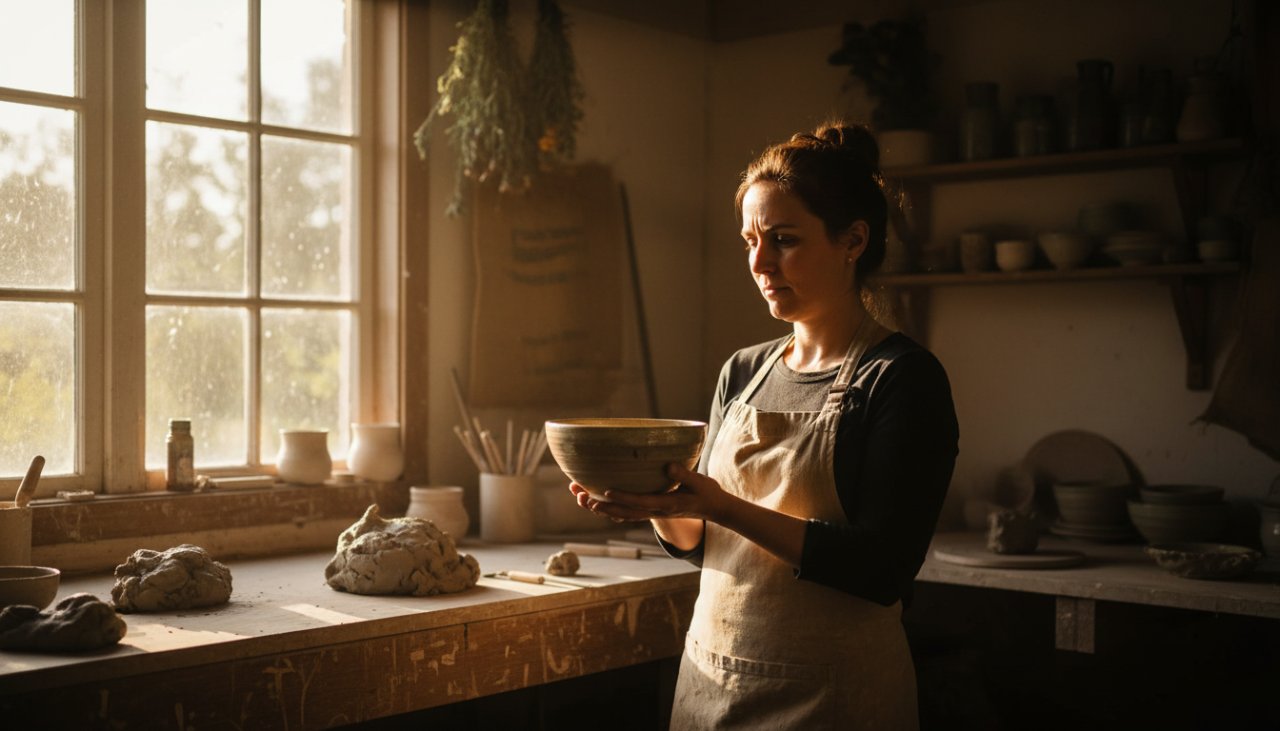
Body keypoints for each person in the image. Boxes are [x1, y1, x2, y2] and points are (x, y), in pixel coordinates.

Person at [570, 121, 959, 730]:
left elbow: (881, 569)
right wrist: (651, 499)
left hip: (836, 697)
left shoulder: (902, 378)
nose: (759, 262)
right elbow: (705, 544)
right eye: (750, 240)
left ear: (853, 239)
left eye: (783, 240)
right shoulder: (743, 370)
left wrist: (723, 508)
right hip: (713, 680)